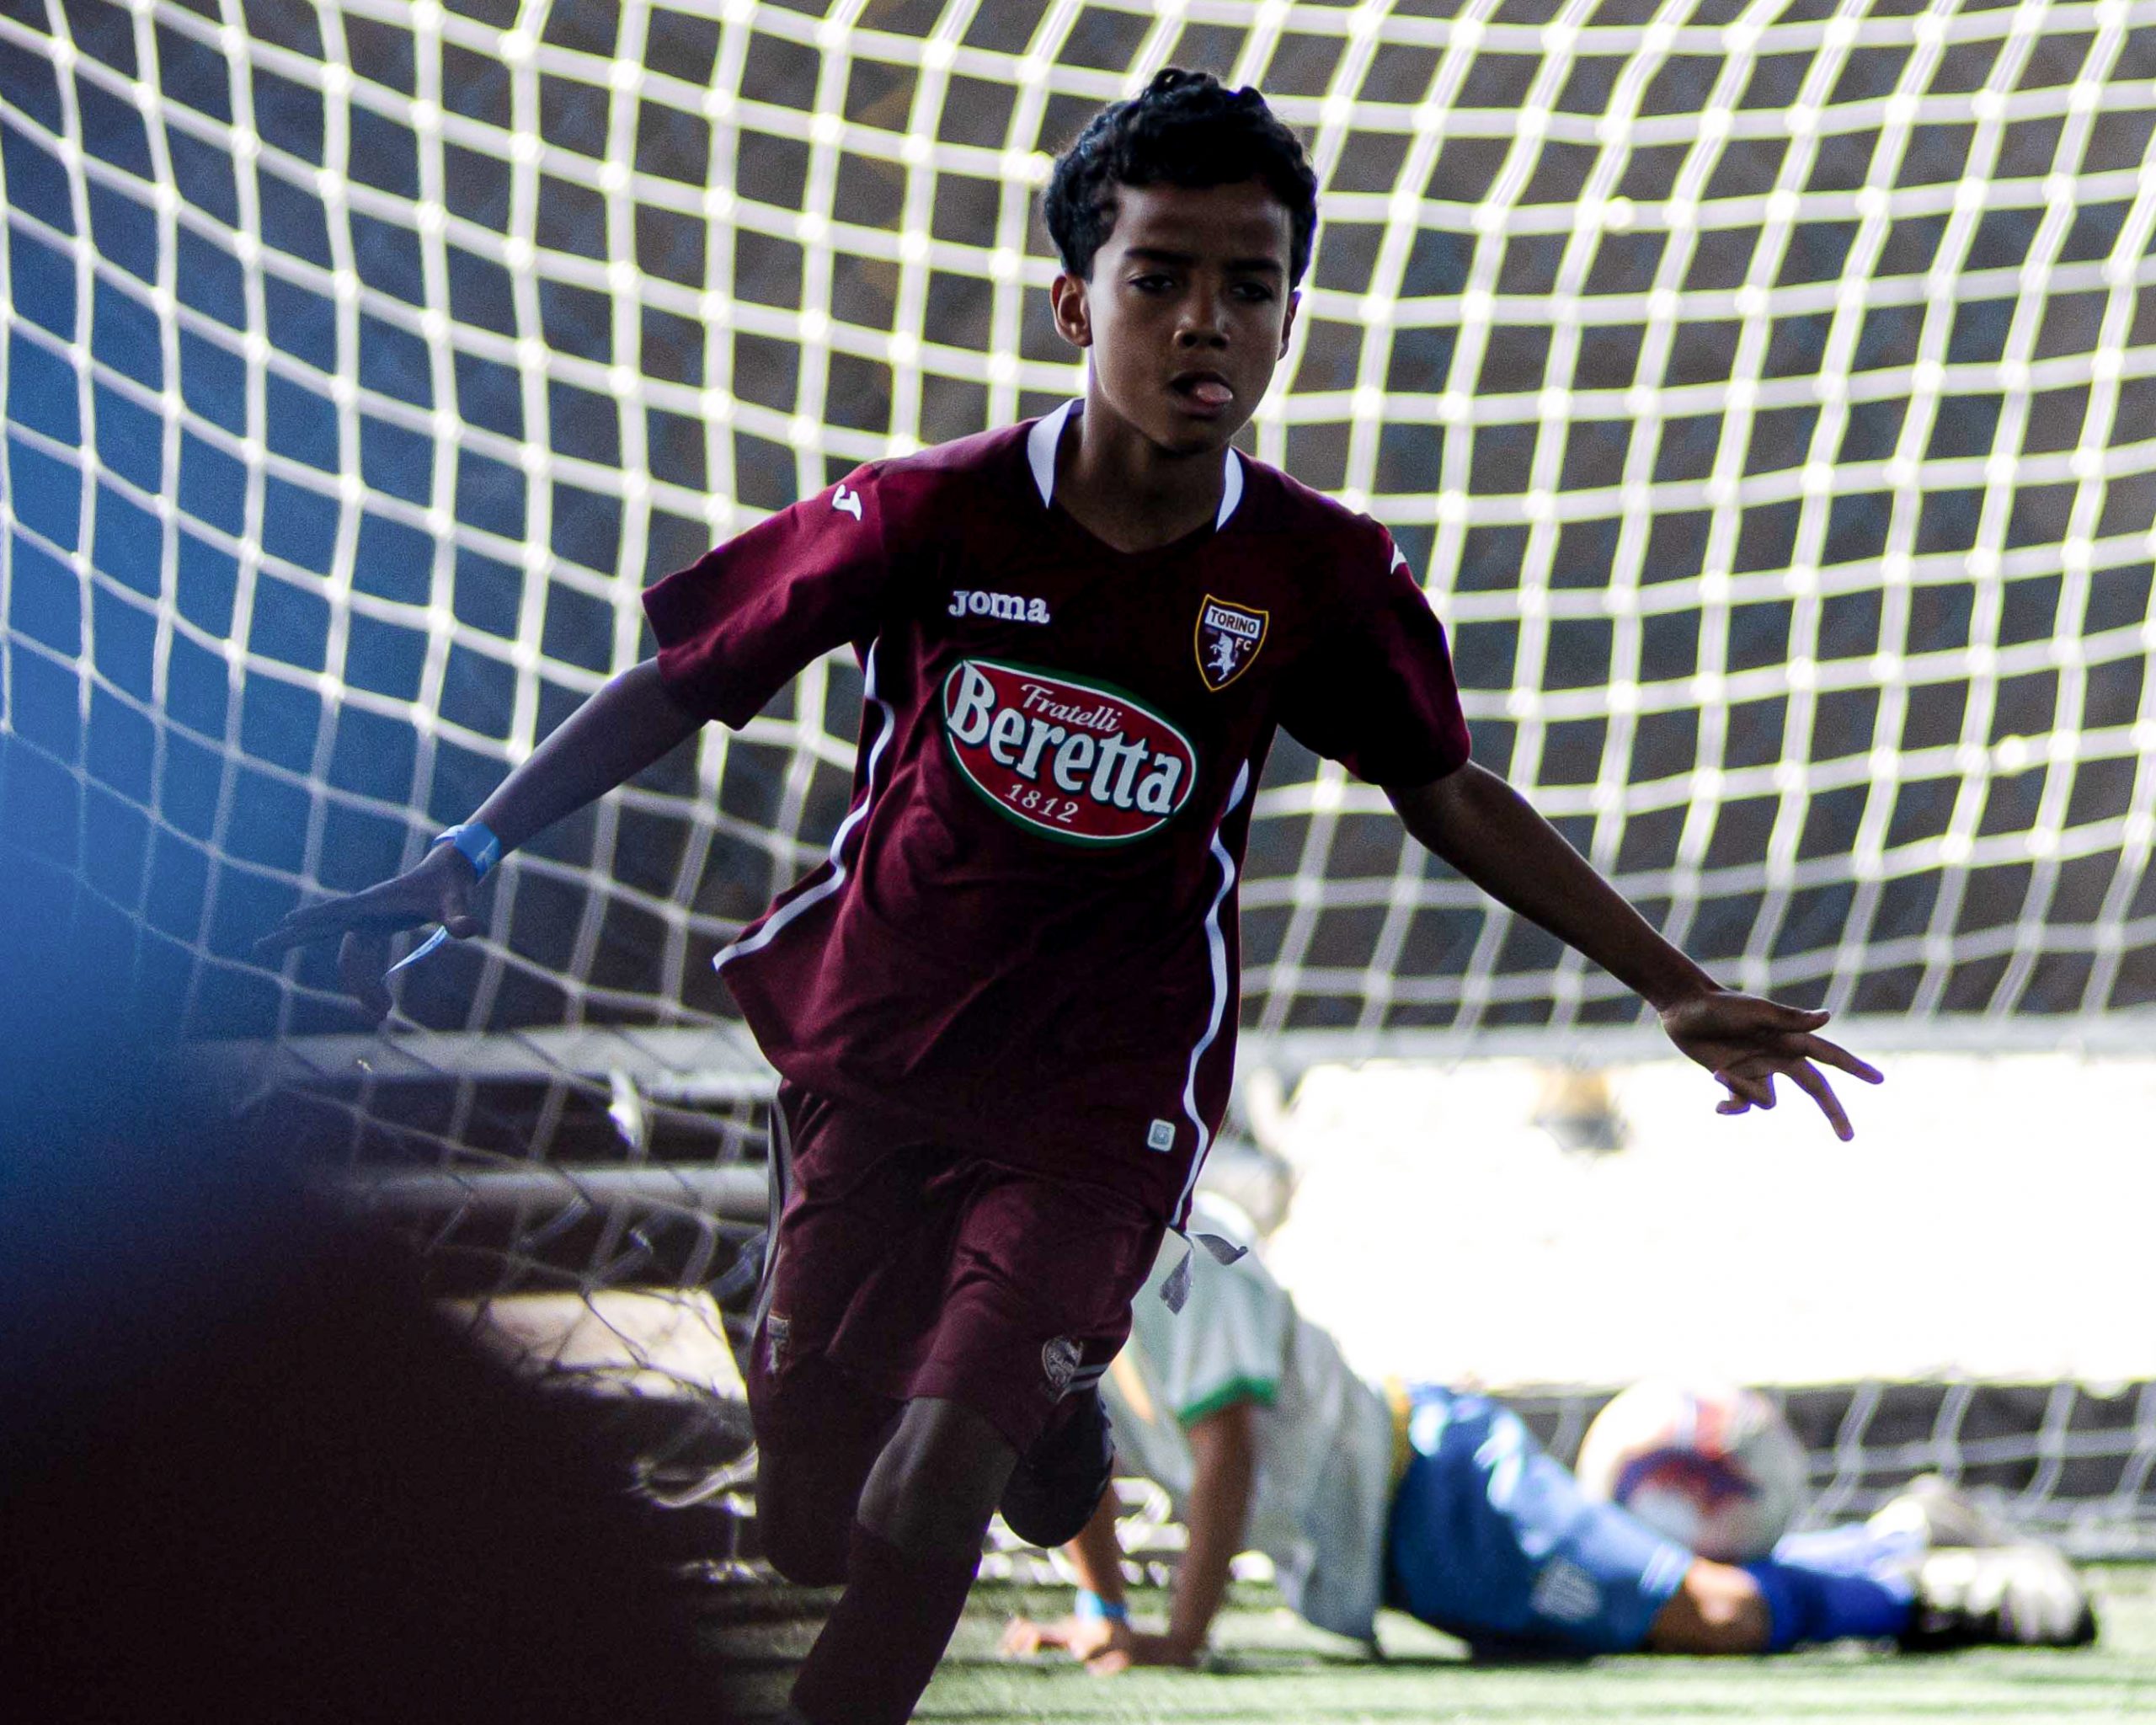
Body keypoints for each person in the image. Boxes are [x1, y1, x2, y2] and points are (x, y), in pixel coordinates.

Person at [258, 71, 1881, 1725]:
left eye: (1247, 287)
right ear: (1071, 303)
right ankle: (1054, 1416)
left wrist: (1664, 980)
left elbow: (1442, 784)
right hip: (876, 1059)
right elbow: (681, 678)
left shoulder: (1313, 574)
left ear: (1287, 320)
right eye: (1157, 276)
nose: (1203, 322)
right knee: (809, 1518)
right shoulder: (926, 514)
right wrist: (469, 849)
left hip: (1102, 1108)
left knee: (918, 1497)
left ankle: (1008, 1400)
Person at [1002, 1194, 2097, 1672]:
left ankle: (1940, 1593)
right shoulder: (1033, 1263)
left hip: (1438, 1490)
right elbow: (1072, 1445)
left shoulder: (1184, 1239)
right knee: (1665, 1611)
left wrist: (1179, 1638)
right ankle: (1905, 1534)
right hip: (1400, 1554)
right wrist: (1103, 1611)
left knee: (1712, 1615)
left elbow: (1225, 1446)